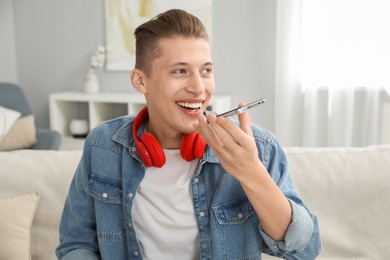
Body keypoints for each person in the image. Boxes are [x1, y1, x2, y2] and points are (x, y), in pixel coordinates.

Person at [56, 9, 320, 259]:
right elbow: (77, 243)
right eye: (179, 71)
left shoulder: (257, 148)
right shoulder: (102, 146)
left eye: (206, 70)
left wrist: (251, 172)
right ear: (140, 81)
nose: (198, 88)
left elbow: (306, 248)